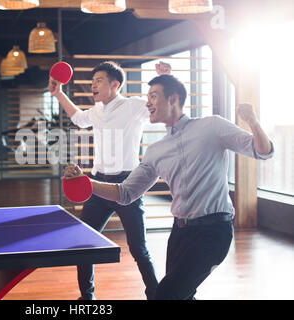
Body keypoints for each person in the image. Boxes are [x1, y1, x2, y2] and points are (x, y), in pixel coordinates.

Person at [63, 74, 274, 300]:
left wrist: (252, 120)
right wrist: (85, 182)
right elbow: (125, 193)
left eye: (153, 96)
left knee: (166, 295)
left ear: (173, 99)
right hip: (179, 233)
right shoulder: (156, 151)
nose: (148, 103)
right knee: (182, 295)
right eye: (147, 97)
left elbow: (263, 151)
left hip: (213, 232)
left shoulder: (212, 126)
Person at [49, 61, 170, 300]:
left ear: (115, 84)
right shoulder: (97, 110)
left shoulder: (134, 105)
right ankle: (87, 297)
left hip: (127, 186)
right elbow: (78, 118)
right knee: (84, 244)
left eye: (99, 81)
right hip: (97, 185)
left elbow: (161, 107)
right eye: (93, 81)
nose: (93, 85)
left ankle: (156, 295)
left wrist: (166, 78)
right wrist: (58, 93)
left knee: (138, 248)